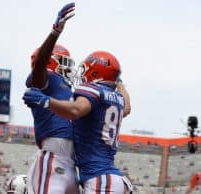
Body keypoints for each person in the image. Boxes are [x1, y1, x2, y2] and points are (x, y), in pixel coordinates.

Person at [23, 50, 133, 194]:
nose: (81, 73)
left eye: (86, 69)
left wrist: (46, 101)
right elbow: (127, 108)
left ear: (95, 73)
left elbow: (75, 110)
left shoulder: (93, 90)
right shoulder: (116, 100)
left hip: (100, 178)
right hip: (104, 176)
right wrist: (119, 83)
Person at [24, 2, 79, 194]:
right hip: (53, 156)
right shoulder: (46, 79)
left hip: (72, 162)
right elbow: (39, 67)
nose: (68, 69)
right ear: (49, 61)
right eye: (64, 63)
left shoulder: (66, 87)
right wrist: (55, 32)